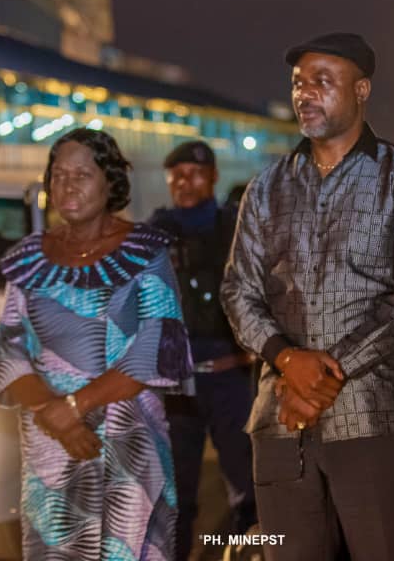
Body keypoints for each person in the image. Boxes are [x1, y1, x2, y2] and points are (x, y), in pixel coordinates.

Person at [221, 32, 394, 561]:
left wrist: (322, 373)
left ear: (361, 89)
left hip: (373, 418)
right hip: (279, 421)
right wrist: (285, 359)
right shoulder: (267, 187)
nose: (306, 93)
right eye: (299, 83)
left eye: (323, 81)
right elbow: (238, 290)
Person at [0, 128, 193, 561]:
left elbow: (155, 348)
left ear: (110, 182)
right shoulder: (29, 258)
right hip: (51, 446)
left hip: (128, 444)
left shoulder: (146, 252)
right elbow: (8, 350)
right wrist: (55, 415)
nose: (68, 185)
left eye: (82, 174)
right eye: (58, 175)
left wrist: (75, 407)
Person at [148, 140, 257, 560]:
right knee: (176, 495)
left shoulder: (236, 226)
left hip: (229, 377)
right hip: (177, 386)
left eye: (194, 174)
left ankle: (253, 552)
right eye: (176, 175)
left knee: (247, 487)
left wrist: (254, 347)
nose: (184, 183)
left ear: (213, 177)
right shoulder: (155, 232)